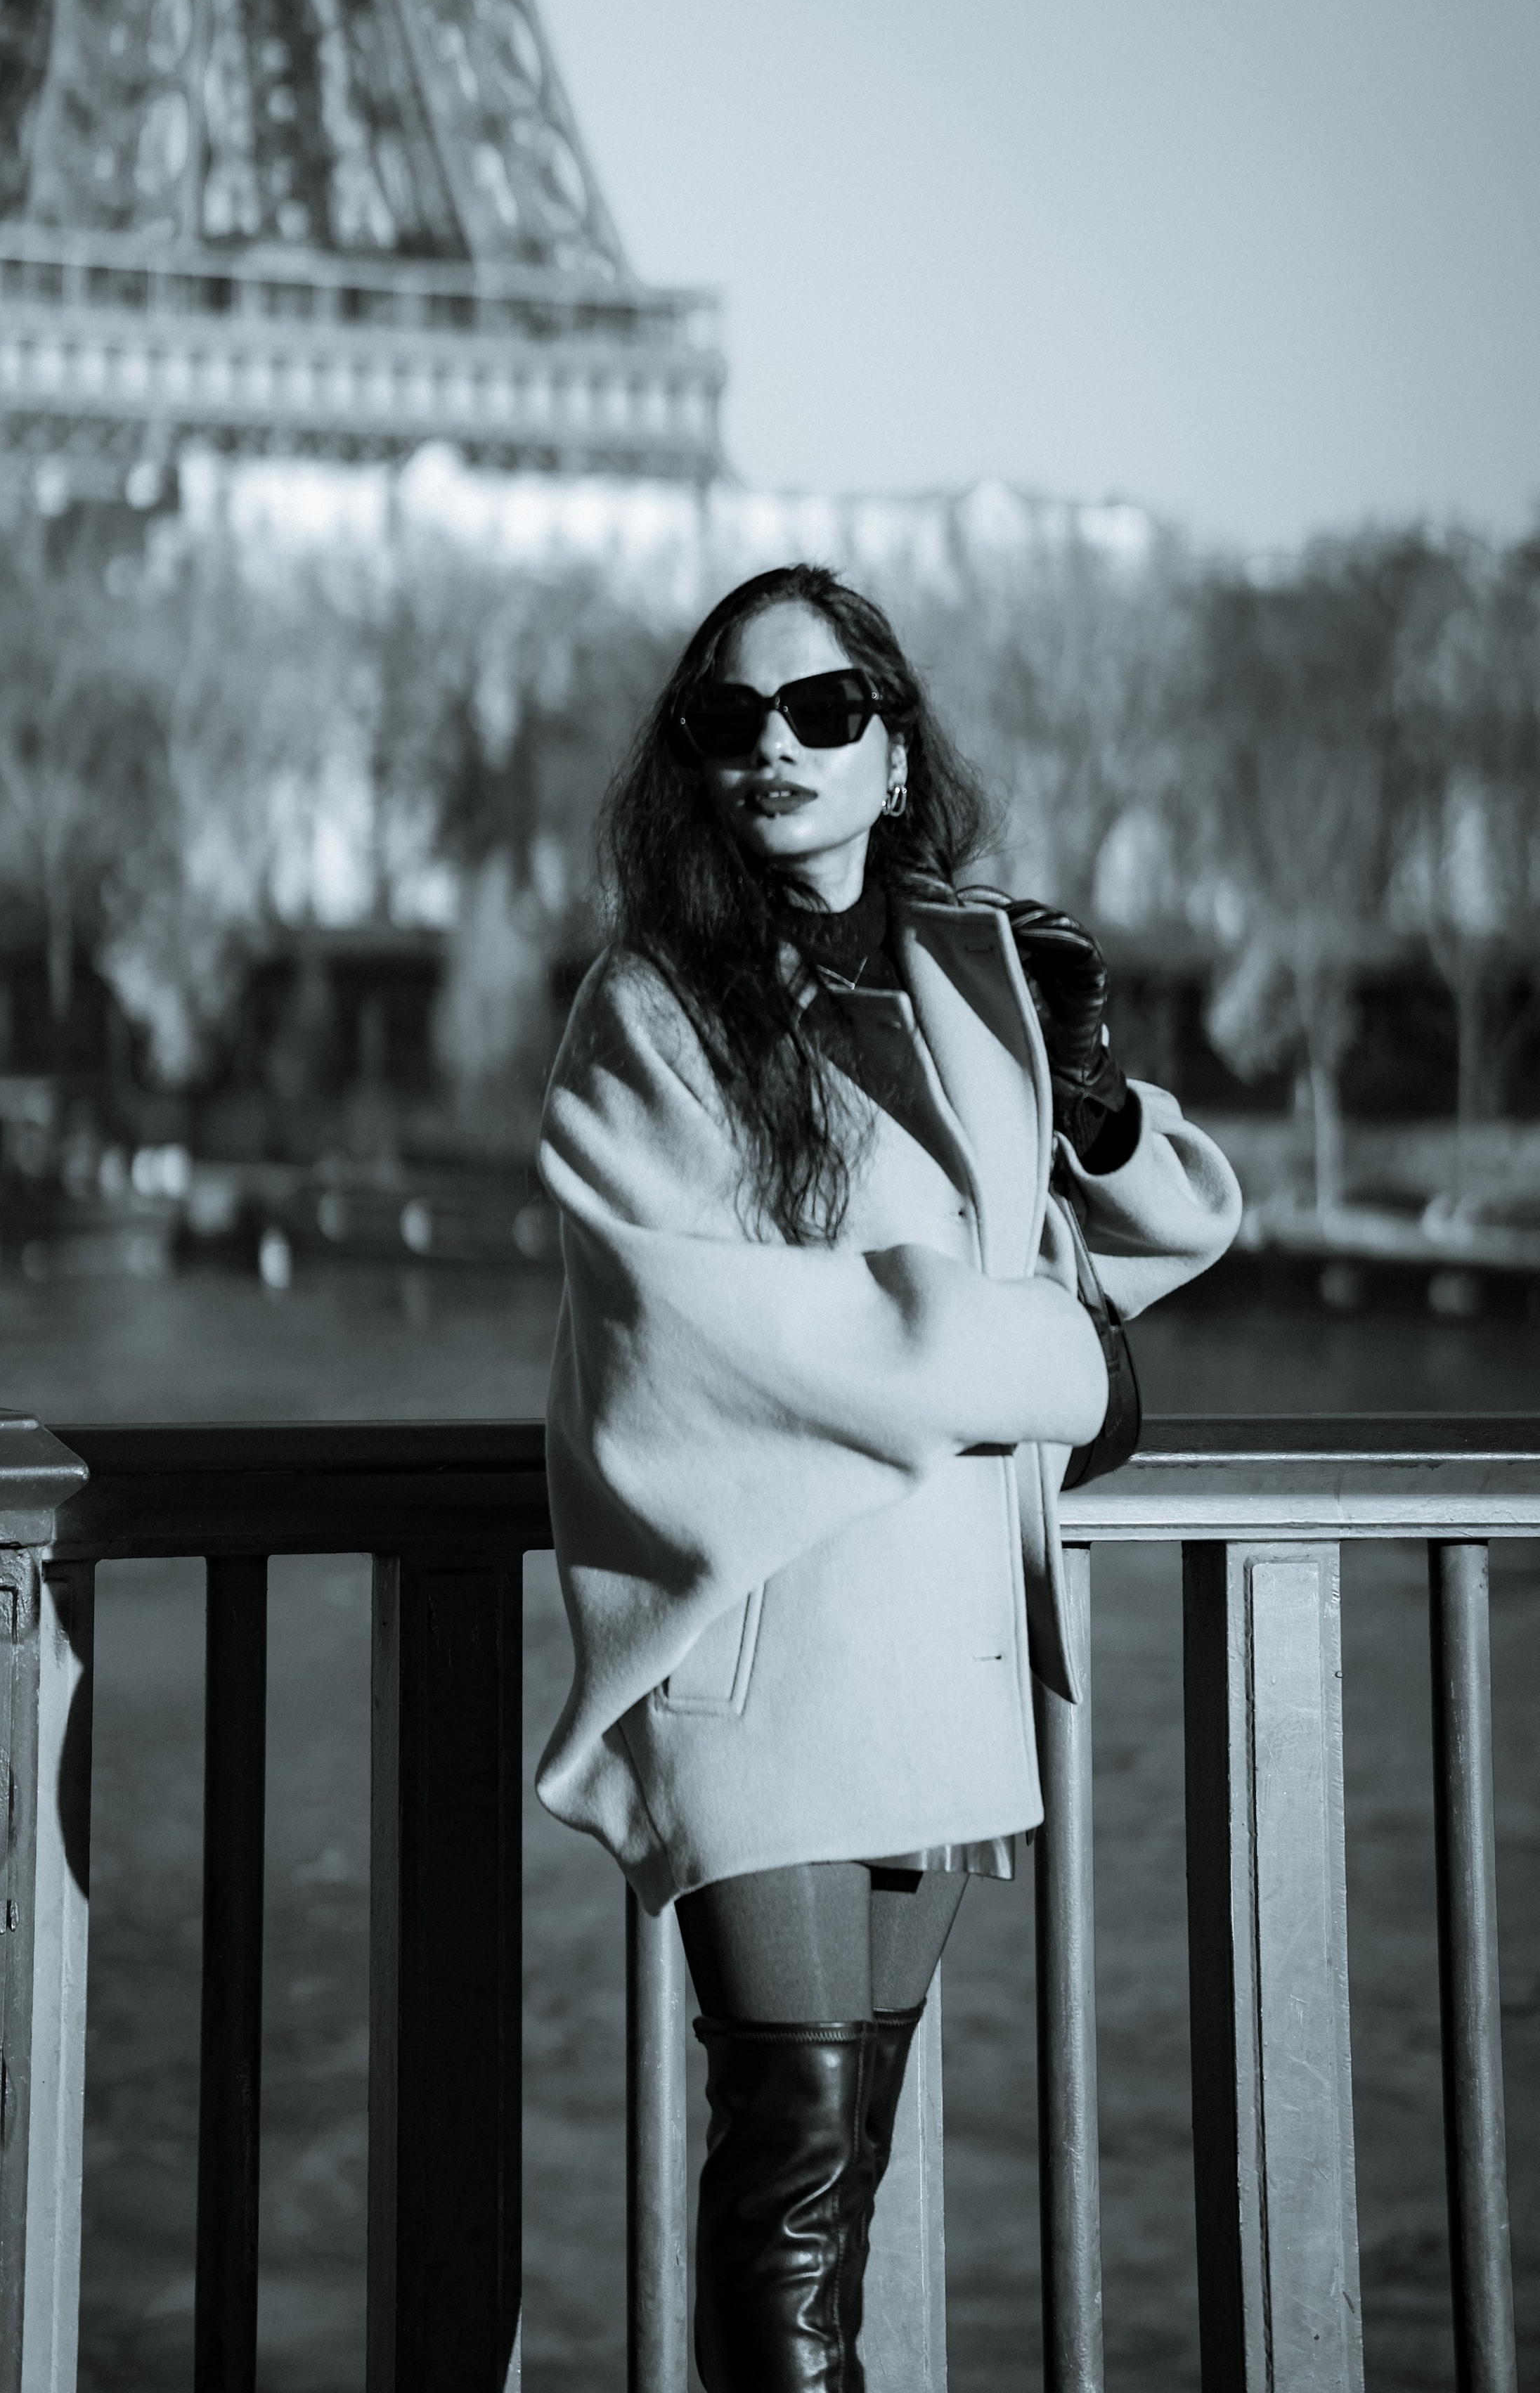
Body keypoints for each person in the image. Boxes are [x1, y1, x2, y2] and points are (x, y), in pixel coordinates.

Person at [536, 565, 1241, 2391]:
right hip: (759, 1674)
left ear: (891, 738)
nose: (775, 747)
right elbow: (762, 1337)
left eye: (821, 710)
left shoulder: (966, 975)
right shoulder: (650, 1013)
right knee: (782, 2188)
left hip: (933, 1672)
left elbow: (1081, 1251)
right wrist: (1072, 1367)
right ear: (692, 761)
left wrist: (1090, 1113)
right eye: (729, 719)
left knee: (835, 2191)